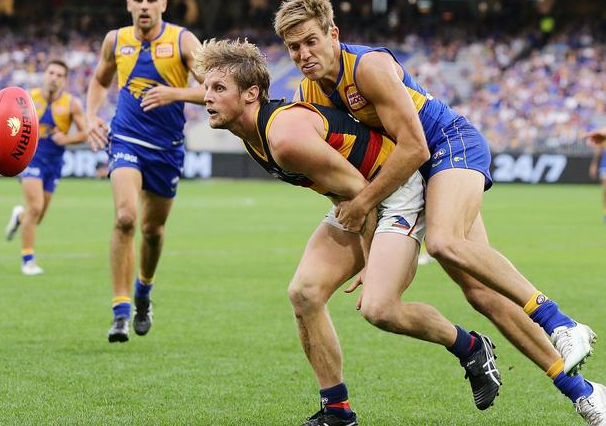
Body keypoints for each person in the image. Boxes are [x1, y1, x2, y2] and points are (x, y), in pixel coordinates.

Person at [274, 0, 605, 424]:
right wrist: (370, 248)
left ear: (333, 34)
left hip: (449, 146)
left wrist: (363, 206)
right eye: (293, 47)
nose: (302, 53)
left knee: (447, 242)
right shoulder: (309, 91)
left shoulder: (368, 66)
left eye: (310, 41)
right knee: (483, 293)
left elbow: (413, 147)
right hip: (413, 177)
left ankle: (560, 322)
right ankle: (584, 391)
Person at [196, 38, 504, 425]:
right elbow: (342, 190)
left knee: (380, 308)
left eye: (218, 89)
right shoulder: (254, 136)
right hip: (360, 198)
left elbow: (362, 195)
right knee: (305, 293)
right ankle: (337, 411)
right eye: (206, 88)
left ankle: (472, 347)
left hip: (397, 189)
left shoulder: (283, 137)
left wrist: (369, 256)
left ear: (251, 94)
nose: (206, 97)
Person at [85, 0, 205, 343]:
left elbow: (213, 87)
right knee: (125, 218)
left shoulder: (183, 40)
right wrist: (91, 116)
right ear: (128, 4)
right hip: (125, 139)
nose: (144, 5)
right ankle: (120, 312)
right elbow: (99, 81)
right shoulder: (115, 41)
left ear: (163, 6)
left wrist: (175, 93)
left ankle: (143, 292)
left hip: (166, 148)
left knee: (152, 232)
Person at [4, 60, 86, 275]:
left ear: (64, 80)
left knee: (37, 216)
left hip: (55, 163)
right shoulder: (27, 98)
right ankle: (28, 260)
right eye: (51, 72)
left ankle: (19, 218)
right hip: (31, 158)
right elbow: (8, 125)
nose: (54, 77)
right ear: (44, 74)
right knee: (36, 207)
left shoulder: (71, 104)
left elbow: (84, 133)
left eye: (59, 75)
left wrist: (67, 139)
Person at [589, 141, 606, 224]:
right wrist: (594, 165)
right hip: (605, 165)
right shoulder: (603, 136)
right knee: (605, 191)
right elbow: (599, 151)